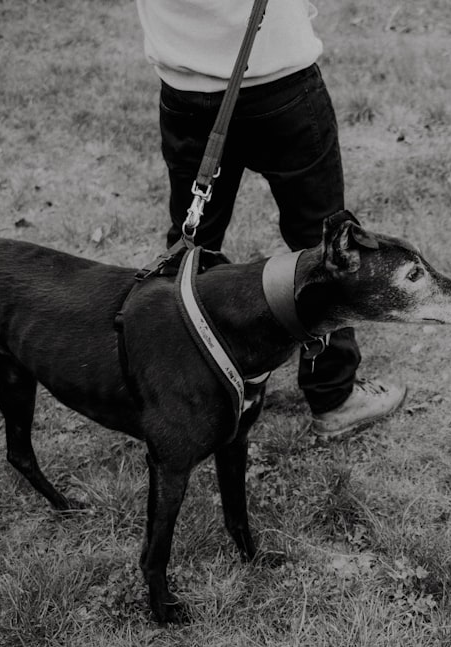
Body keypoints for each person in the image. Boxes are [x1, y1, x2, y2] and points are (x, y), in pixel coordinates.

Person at [135, 0, 406, 437]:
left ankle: (179, 378)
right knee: (324, 243)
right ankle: (334, 396)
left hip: (186, 86)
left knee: (193, 240)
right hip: (279, 84)